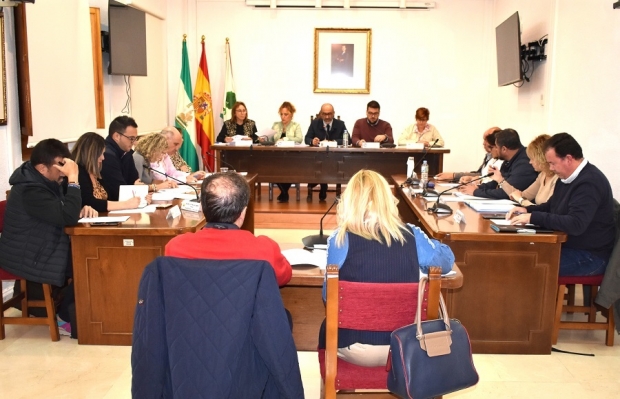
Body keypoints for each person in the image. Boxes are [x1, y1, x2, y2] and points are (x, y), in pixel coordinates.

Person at [318, 170, 454, 367]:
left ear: (349, 201)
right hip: (406, 344)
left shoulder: (340, 238)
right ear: (388, 200)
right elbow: (444, 263)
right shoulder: (412, 235)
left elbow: (327, 296)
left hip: (354, 346)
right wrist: (430, 244)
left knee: (326, 327)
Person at [0, 139, 98, 338]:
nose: (63, 170)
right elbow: (65, 216)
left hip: (41, 243)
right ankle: (65, 315)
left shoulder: (44, 181)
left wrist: (81, 209)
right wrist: (73, 180)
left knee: (90, 255)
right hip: (26, 253)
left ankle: (84, 313)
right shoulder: (30, 190)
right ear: (43, 168)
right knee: (88, 260)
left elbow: (63, 212)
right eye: (60, 165)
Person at [507, 133, 615, 277]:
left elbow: (576, 224)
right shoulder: (566, 178)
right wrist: (526, 209)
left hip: (590, 255)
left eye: (552, 163)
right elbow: (552, 206)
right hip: (570, 246)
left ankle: (533, 299)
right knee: (517, 255)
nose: (550, 168)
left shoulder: (589, 182)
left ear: (568, 159)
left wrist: (533, 217)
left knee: (526, 264)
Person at [165, 172, 292, 287]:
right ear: (243, 212)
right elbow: (284, 277)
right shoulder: (265, 248)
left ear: (202, 209)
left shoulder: (175, 247)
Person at [71, 132, 142, 212]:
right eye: (100, 154)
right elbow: (89, 202)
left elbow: (112, 196)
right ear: (91, 154)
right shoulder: (79, 172)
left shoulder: (96, 173)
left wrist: (140, 199)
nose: (103, 158)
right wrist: (126, 204)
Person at [459, 128, 537, 199]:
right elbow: (497, 183)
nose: (493, 150)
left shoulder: (524, 164)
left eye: (495, 147)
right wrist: (478, 188)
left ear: (504, 149)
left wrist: (476, 192)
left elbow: (506, 192)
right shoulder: (510, 159)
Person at [305, 103, 349, 201]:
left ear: (333, 113)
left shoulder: (340, 124)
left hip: (335, 157)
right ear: (321, 114)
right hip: (318, 156)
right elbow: (307, 138)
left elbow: (347, 139)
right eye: (324, 114)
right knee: (319, 163)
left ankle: (323, 184)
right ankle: (323, 185)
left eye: (329, 114)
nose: (327, 117)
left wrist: (335, 142)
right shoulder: (315, 123)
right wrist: (312, 141)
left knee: (331, 164)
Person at [507, 134, 558, 206]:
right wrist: (501, 181)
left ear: (541, 158)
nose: (530, 162)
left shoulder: (557, 178)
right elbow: (524, 195)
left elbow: (547, 209)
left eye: (532, 158)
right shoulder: (542, 175)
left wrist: (520, 199)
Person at [435, 127, 501, 182]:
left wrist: (454, 175)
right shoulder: (490, 157)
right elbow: (481, 174)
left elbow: (484, 177)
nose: (483, 143)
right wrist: (470, 178)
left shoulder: (500, 160)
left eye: (486, 140)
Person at [267, 101, 303, 202]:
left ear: (291, 114)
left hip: (291, 156)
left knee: (289, 169)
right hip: (276, 156)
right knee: (273, 168)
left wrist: (286, 138)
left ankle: (283, 192)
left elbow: (299, 139)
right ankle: (284, 192)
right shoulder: (276, 125)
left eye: (286, 114)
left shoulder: (296, 125)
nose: (283, 117)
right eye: (281, 114)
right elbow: (270, 139)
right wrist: (264, 139)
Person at [100, 115, 140, 201]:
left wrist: (133, 187)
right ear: (117, 136)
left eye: (135, 139)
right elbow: (119, 191)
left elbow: (135, 180)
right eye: (131, 138)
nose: (133, 142)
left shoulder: (126, 152)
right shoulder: (107, 155)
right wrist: (133, 187)